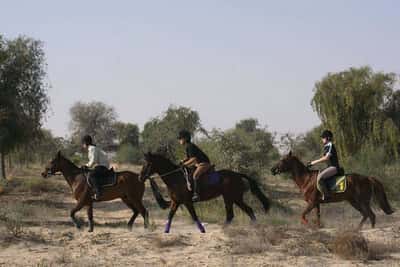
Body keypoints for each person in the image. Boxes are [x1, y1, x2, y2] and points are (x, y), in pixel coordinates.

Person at [178, 130, 211, 202]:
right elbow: (189, 158)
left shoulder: (190, 146)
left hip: (204, 163)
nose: (179, 140)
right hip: (198, 164)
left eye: (180, 138)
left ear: (185, 138)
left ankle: (196, 194)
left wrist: (184, 164)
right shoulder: (188, 146)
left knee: (195, 175)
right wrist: (183, 161)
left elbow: (193, 159)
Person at [307, 130, 340, 200]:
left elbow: (326, 158)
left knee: (319, 179)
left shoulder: (330, 145)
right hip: (329, 167)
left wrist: (313, 163)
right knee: (317, 176)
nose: (322, 139)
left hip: (334, 168)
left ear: (328, 138)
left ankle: (327, 195)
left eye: (323, 137)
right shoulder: (326, 146)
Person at [82, 135, 110, 200]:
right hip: (100, 165)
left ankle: (98, 192)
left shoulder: (92, 148)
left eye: (83, 143)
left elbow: (93, 160)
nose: (82, 145)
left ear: (86, 142)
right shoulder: (92, 148)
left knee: (92, 175)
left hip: (102, 166)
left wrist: (86, 165)